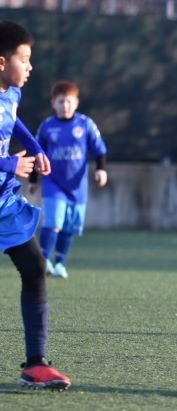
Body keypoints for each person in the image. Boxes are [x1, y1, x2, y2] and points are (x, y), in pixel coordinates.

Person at [0, 21, 70, 389]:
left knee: (35, 265)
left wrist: (36, 147)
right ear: (1, 62)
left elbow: (11, 122)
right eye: (24, 59)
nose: (30, 67)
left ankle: (36, 364)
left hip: (3, 202)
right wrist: (8, 164)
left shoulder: (10, 93)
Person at [31, 80, 108, 279]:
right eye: (60, 101)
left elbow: (99, 149)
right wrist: (33, 181)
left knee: (68, 228)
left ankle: (59, 264)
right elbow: (36, 153)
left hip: (77, 187)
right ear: (53, 104)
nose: (65, 105)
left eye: (68, 101)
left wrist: (101, 170)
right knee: (53, 222)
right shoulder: (47, 126)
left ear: (76, 103)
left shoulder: (85, 124)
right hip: (53, 183)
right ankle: (44, 260)